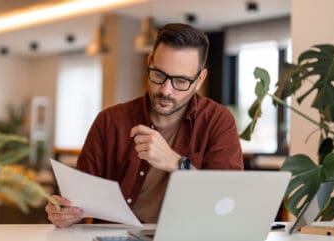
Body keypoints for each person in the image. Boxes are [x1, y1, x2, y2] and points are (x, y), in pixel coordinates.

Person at [45, 23, 243, 227]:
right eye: (158, 75)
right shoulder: (109, 121)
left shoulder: (218, 121)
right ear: (149, 62)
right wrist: (66, 213)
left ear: (200, 79)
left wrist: (176, 163)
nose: (166, 90)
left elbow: (226, 201)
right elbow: (78, 200)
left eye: (181, 81)